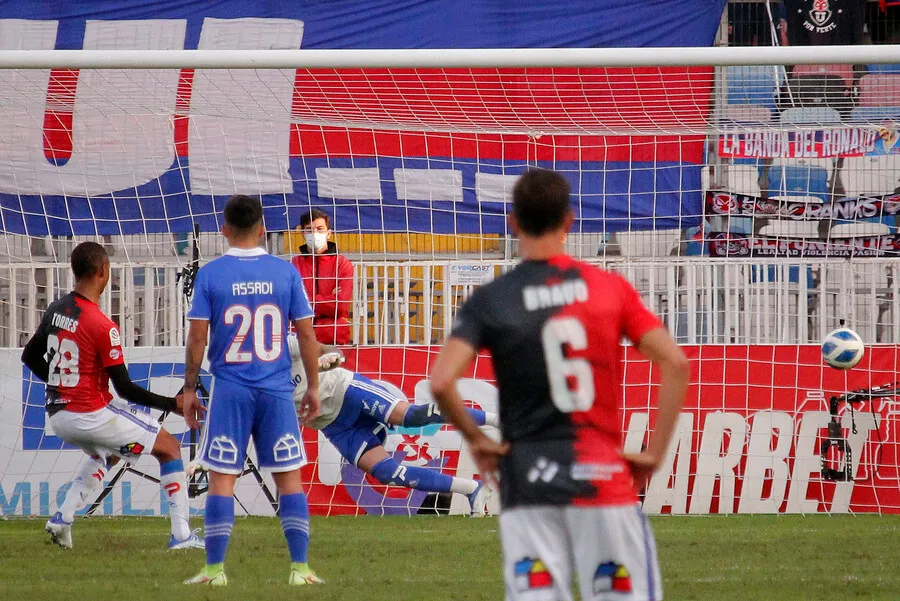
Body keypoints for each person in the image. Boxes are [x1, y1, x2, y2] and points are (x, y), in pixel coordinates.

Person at [429, 169, 690, 601]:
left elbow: (441, 381)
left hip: (528, 480)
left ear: (513, 222)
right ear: (569, 220)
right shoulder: (609, 288)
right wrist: (655, 454)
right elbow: (675, 364)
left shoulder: (492, 299)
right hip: (601, 476)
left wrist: (477, 440)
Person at [20, 241, 202, 551]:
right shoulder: (102, 325)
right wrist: (172, 404)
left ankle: (63, 517)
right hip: (89, 413)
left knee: (112, 452)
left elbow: (29, 356)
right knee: (170, 448)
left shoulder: (55, 310)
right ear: (104, 271)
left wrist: (62, 385)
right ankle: (182, 536)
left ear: (74, 270)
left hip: (59, 415)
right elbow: (125, 388)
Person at [181, 194, 323, 587]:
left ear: (224, 230)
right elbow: (306, 335)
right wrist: (313, 386)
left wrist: (190, 388)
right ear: (263, 229)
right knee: (289, 479)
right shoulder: (286, 272)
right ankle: (300, 570)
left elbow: (197, 338)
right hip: (276, 389)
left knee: (222, 480)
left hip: (230, 390)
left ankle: (214, 572)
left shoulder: (211, 274)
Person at [287, 337, 496, 516]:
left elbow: (329, 350)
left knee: (411, 416)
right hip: (333, 424)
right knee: (388, 473)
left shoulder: (285, 344)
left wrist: (328, 359)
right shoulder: (263, 384)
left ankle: (497, 419)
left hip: (345, 390)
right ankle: (472, 489)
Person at [291, 208, 353, 345]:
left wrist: (308, 301)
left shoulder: (342, 264)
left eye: (320, 229)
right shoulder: (295, 264)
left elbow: (340, 306)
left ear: (329, 233)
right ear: (302, 234)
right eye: (309, 229)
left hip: (334, 339)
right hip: (301, 339)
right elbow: (291, 305)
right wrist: (327, 299)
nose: (314, 233)